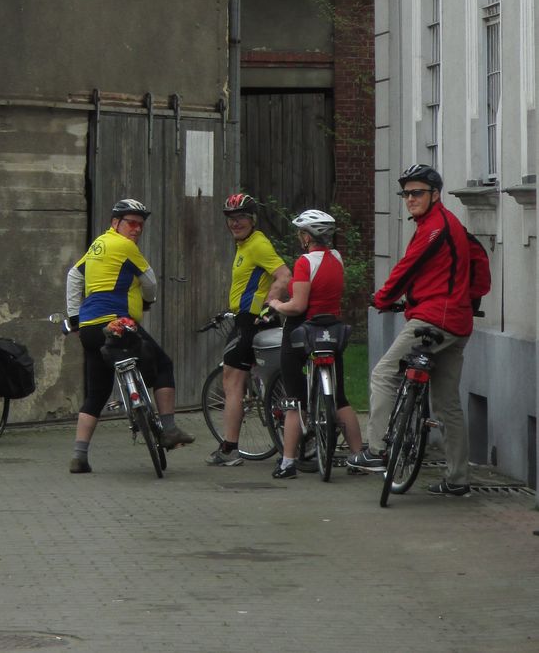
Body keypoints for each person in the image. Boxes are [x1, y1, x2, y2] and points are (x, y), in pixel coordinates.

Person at [347, 164, 477, 497]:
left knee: (383, 374)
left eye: (417, 192)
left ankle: (377, 450)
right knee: (447, 404)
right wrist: (464, 298)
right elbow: (475, 263)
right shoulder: (452, 225)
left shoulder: (435, 227)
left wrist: (382, 298)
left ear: (435, 194)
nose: (410, 199)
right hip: (457, 322)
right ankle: (458, 479)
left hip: (434, 320)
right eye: (405, 194)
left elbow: (407, 268)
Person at [63, 197, 193, 473]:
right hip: (117, 324)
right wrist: (148, 300)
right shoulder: (125, 247)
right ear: (115, 223)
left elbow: (74, 275)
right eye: (131, 223)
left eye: (140, 225)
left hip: (89, 329)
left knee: (97, 392)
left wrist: (74, 318)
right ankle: (169, 429)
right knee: (163, 364)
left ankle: (78, 456)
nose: (136, 229)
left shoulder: (98, 244)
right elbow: (150, 280)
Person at [265, 208, 364, 478]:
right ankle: (357, 457)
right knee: (340, 398)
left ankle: (287, 463)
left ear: (307, 237)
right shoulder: (337, 258)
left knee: (294, 399)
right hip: (331, 331)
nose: (300, 238)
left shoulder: (305, 262)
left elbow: (298, 306)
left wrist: (276, 304)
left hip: (303, 331)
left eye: (301, 234)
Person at [207, 192, 291, 466]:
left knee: (232, 382)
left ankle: (230, 450)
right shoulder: (245, 246)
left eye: (241, 217)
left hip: (252, 323)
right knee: (273, 384)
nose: (235, 223)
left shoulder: (257, 245)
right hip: (249, 320)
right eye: (231, 218)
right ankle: (292, 437)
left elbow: (284, 275)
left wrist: (269, 305)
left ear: (253, 219)